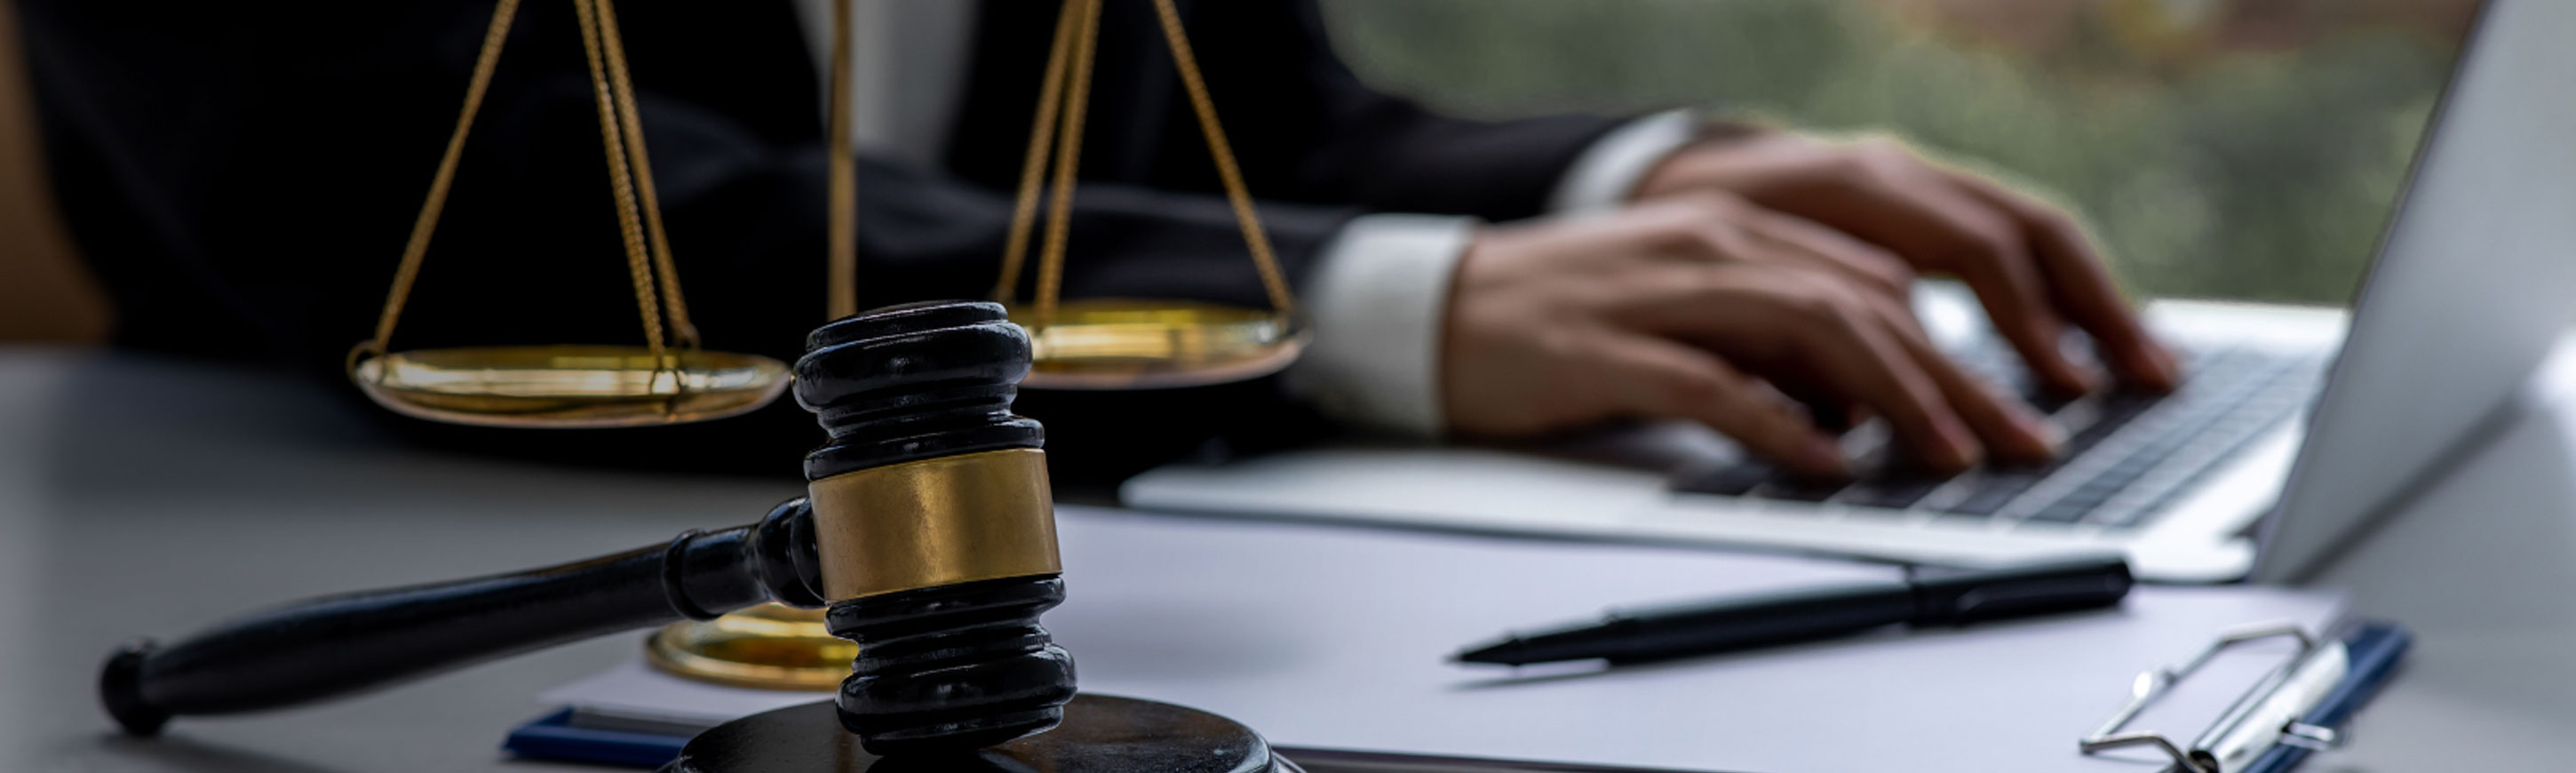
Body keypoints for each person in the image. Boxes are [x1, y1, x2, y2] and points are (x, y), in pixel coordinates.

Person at [18, 0, 2174, 482]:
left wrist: (1628, 184)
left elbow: (1269, 128)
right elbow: (473, 219)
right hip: (360, 575)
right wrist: (1367, 307)